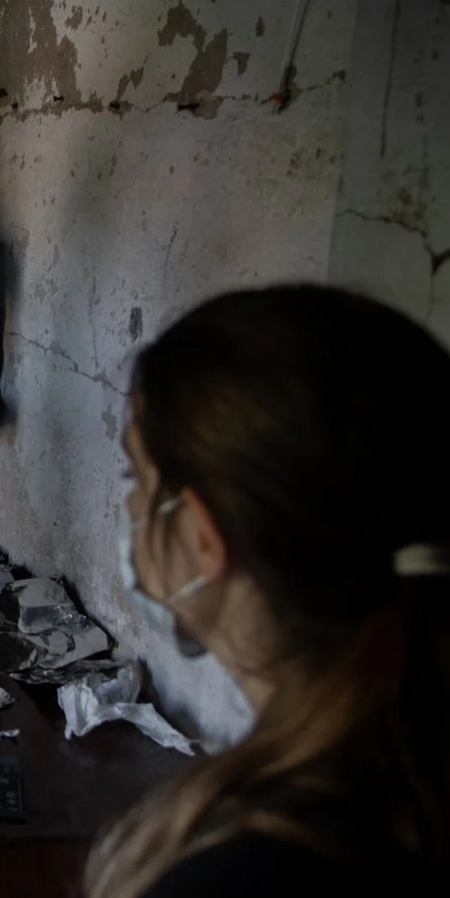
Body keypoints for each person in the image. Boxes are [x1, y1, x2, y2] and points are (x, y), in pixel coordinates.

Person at [87, 286, 449, 897]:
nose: (131, 509)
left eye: (137, 478)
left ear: (202, 536)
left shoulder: (244, 874)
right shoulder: (405, 786)